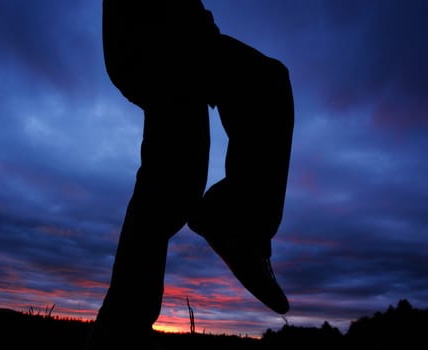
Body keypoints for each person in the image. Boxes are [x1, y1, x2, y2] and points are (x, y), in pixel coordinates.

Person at [85, 1, 294, 348]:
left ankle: (119, 333)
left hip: (163, 38)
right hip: (163, 33)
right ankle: (238, 223)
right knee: (265, 84)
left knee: (173, 184)